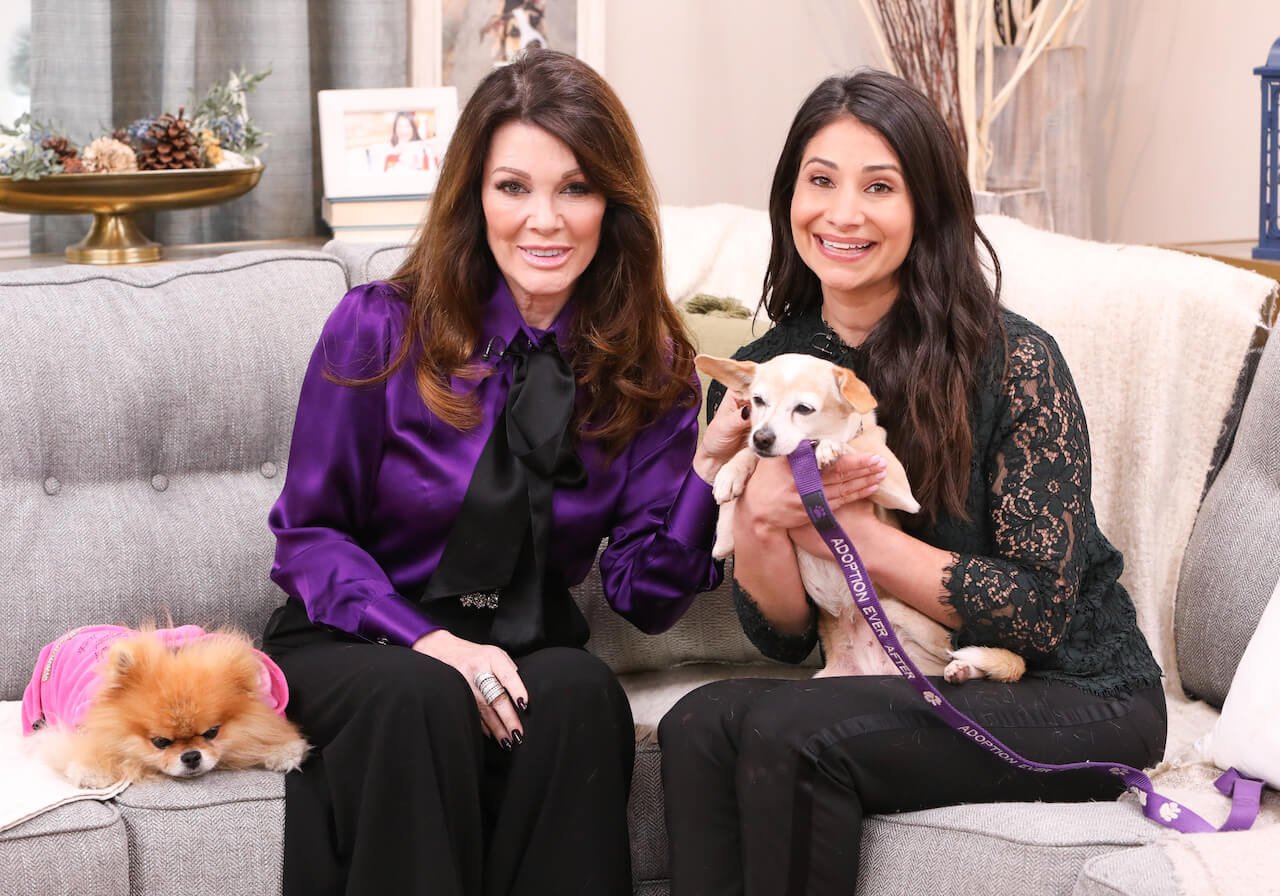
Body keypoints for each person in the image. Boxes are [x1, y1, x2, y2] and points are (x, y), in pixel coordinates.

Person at [657, 69, 1167, 896]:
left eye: (880, 186)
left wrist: (850, 532)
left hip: (1074, 691)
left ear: (926, 207)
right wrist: (756, 518)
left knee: (793, 731)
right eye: (820, 181)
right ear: (790, 196)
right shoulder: (769, 378)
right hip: (908, 672)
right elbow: (782, 635)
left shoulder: (1015, 360)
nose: (843, 212)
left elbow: (1039, 614)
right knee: (697, 724)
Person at [262, 49, 746, 896]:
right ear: (473, 198)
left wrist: (704, 472)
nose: (545, 221)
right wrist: (437, 644)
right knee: (423, 698)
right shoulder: (379, 329)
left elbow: (646, 596)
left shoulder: (647, 363)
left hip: (523, 643)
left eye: (576, 188)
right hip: (358, 640)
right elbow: (308, 539)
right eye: (513, 187)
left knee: (583, 693)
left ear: (612, 205)